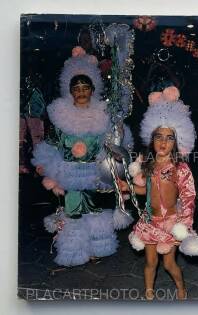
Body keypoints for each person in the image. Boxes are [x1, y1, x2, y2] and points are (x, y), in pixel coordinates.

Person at [31, 46, 134, 267]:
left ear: (92, 89)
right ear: (69, 90)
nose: (80, 91)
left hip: (96, 174)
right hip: (69, 174)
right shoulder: (60, 116)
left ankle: (99, 248)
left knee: (97, 212)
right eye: (76, 88)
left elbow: (116, 141)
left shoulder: (104, 114)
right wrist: (43, 164)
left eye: (85, 87)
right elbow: (50, 145)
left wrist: (120, 138)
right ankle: (74, 252)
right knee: (73, 213)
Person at [123, 86, 198, 300]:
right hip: (149, 221)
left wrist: (184, 223)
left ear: (178, 142)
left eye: (169, 138)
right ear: (151, 139)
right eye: (159, 137)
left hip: (170, 222)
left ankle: (181, 288)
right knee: (150, 263)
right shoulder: (147, 164)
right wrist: (127, 188)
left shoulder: (180, 168)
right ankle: (149, 292)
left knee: (170, 264)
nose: (163, 142)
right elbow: (144, 190)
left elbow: (189, 197)